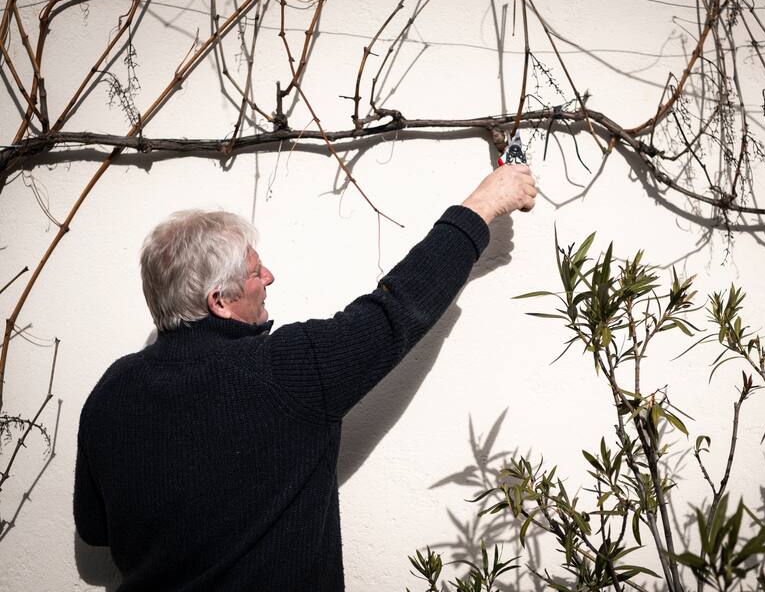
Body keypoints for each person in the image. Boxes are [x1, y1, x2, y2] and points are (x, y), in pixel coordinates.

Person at [74, 164, 537, 591]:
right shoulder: (282, 369)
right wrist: (483, 204)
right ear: (220, 301)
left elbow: (96, 530)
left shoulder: (111, 391)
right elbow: (398, 310)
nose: (269, 276)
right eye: (255, 271)